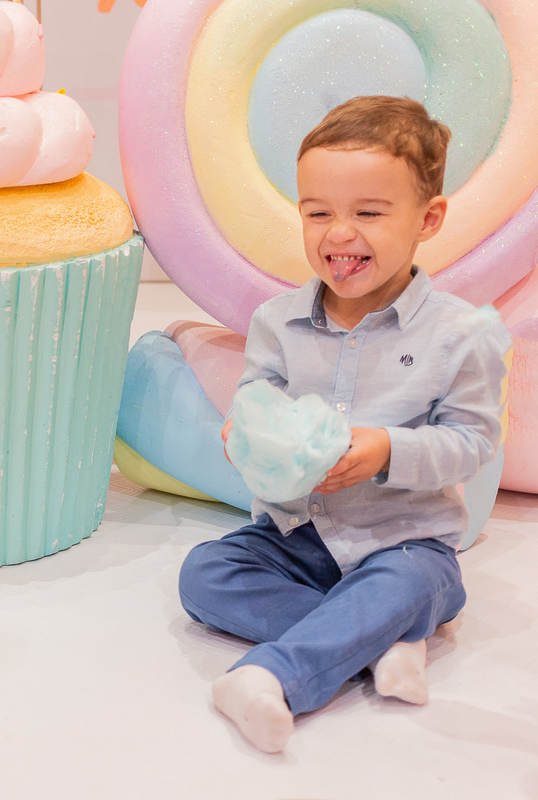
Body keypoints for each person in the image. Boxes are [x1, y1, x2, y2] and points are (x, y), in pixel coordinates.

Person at [177, 96, 511, 754]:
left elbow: (473, 442)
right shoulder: (277, 321)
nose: (338, 233)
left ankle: (273, 676)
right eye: (318, 212)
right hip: (296, 538)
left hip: (403, 546)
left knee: (422, 586)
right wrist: (246, 428)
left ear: (427, 219)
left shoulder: (457, 333)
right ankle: (379, 639)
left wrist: (388, 449)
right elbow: (256, 394)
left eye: (369, 213)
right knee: (205, 573)